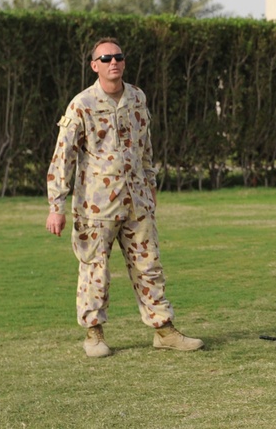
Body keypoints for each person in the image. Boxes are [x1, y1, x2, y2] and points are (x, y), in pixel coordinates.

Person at [45, 38, 203, 357]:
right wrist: (55, 206)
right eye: (105, 58)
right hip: (96, 205)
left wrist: (151, 185)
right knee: (95, 270)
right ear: (95, 66)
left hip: (137, 201)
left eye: (118, 57)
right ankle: (94, 334)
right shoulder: (82, 104)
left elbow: (145, 145)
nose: (113, 62)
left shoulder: (137, 97)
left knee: (149, 266)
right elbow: (64, 156)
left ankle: (163, 330)